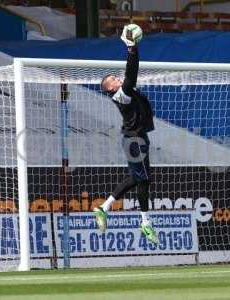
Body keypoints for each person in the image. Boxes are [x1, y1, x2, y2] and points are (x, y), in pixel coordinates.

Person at [94, 24, 159, 245]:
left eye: (115, 77)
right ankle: (144, 221)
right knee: (143, 179)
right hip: (133, 141)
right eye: (112, 79)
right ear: (110, 88)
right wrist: (131, 48)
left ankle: (104, 208)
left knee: (139, 179)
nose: (117, 78)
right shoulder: (121, 95)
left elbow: (129, 76)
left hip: (139, 138)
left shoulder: (125, 92)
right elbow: (131, 72)